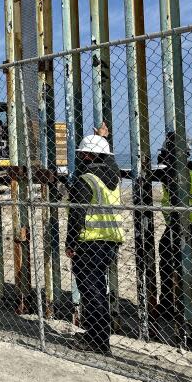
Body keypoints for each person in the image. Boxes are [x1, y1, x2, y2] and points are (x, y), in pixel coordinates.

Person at [66, 130, 123, 354]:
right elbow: (111, 162)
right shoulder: (114, 178)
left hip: (89, 243)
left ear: (87, 156)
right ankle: (98, 336)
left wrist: (70, 243)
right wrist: (104, 139)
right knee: (99, 288)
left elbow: (76, 216)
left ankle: (98, 341)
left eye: (82, 154)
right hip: (109, 242)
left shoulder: (86, 181)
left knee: (91, 292)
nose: (79, 157)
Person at [155, 132, 192, 319]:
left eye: (165, 152)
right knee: (175, 259)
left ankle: (175, 304)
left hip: (189, 225)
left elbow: (152, 174)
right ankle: (173, 302)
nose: (162, 156)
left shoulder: (174, 171)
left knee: (183, 263)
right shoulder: (185, 170)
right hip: (184, 223)